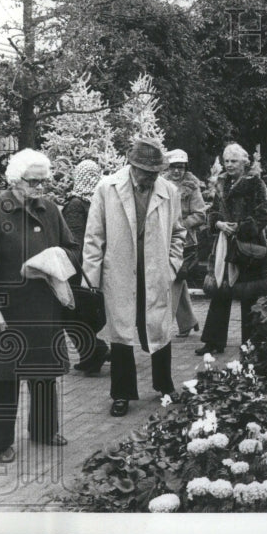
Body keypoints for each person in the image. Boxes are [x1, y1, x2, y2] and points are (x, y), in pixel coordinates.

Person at [0, 149, 80, 462]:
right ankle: (0, 442)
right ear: (16, 181)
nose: (41, 189)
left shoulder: (50, 210)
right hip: (5, 310)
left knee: (44, 371)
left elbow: (73, 249)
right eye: (34, 182)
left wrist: (54, 258)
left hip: (42, 307)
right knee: (4, 377)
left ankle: (44, 429)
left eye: (44, 182)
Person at [82, 139, 185, 417]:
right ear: (132, 166)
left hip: (156, 271)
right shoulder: (107, 188)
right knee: (121, 333)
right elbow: (94, 236)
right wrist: (91, 279)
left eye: (156, 172)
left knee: (159, 329)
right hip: (120, 270)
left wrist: (172, 266)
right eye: (147, 172)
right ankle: (122, 395)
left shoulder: (169, 191)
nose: (152, 177)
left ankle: (164, 385)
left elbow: (178, 233)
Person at [196, 143, 267, 355]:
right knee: (220, 292)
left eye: (234, 161)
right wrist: (218, 224)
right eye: (226, 161)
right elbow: (213, 211)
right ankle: (213, 342)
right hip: (223, 245)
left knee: (249, 295)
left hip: (247, 246)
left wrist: (240, 228)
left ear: (244, 162)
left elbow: (263, 215)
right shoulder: (222, 183)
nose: (229, 165)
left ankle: (251, 344)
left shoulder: (255, 183)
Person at [61, 159, 110, 374]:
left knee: (70, 315)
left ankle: (95, 353)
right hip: (95, 266)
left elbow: (75, 240)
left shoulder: (75, 204)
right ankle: (95, 353)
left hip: (78, 269)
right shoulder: (98, 201)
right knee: (82, 314)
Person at [163, 149, 206, 338]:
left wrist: (180, 225)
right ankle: (188, 321)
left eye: (180, 167)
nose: (176, 172)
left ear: (185, 168)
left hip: (185, 243)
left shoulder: (192, 187)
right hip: (163, 241)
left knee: (174, 280)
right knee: (176, 280)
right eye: (173, 167)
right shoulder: (160, 185)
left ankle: (164, 324)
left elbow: (200, 215)